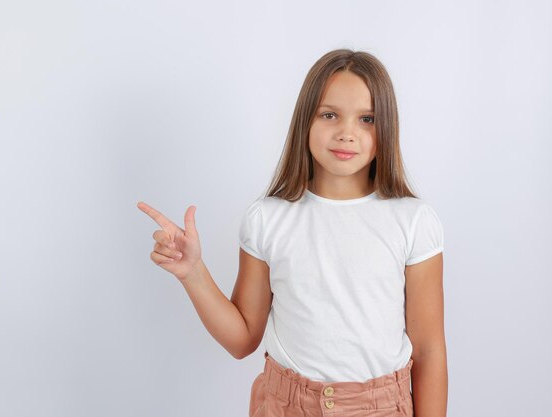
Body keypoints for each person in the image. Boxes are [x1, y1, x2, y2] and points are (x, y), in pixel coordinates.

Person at [137, 48, 447, 417]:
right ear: (306, 121)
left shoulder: (413, 221)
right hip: (286, 405)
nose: (347, 133)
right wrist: (193, 273)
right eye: (329, 115)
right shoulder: (268, 219)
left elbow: (428, 349)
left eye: (367, 119)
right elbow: (242, 340)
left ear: (387, 127)